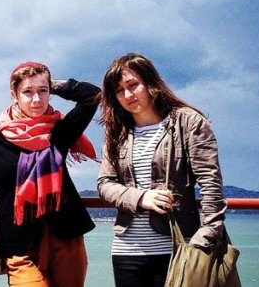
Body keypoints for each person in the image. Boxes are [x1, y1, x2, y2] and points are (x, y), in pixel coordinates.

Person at [97, 53, 227, 287]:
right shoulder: (117, 132)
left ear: (149, 82)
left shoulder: (187, 122)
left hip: (179, 249)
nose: (127, 95)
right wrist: (141, 197)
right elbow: (105, 184)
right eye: (119, 90)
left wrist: (207, 234)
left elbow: (210, 182)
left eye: (133, 85)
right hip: (127, 252)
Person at [0, 61, 101, 287]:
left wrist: (53, 84)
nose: (37, 99)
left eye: (42, 91)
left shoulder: (58, 130)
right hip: (18, 242)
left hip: (66, 236)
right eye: (27, 92)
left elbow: (93, 96)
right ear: (14, 94)